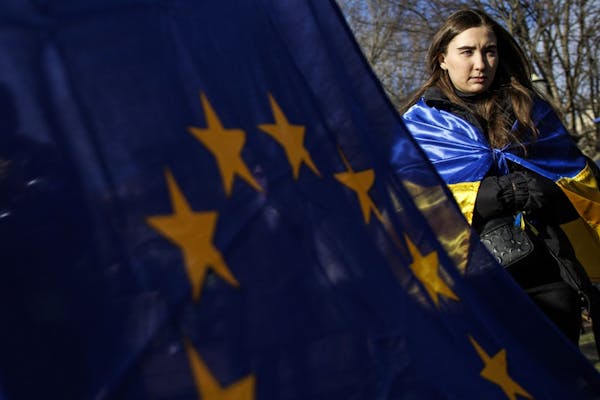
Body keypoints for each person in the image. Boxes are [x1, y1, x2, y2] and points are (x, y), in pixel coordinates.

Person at [399, 8, 600, 345]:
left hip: (551, 282)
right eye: (467, 52)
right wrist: (487, 196)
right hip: (472, 290)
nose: (480, 64)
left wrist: (541, 190)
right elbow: (406, 207)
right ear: (442, 59)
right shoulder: (418, 127)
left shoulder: (532, 112)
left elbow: (580, 186)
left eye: (489, 51)